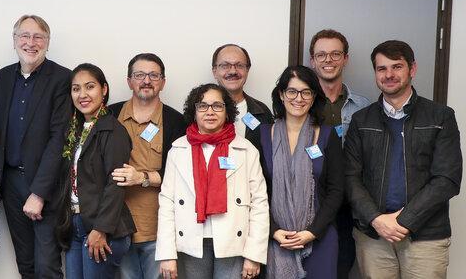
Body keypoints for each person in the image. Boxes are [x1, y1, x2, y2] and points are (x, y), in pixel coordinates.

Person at [345, 40, 462, 278]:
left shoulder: (441, 116)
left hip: (425, 238)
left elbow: (447, 179)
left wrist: (404, 221)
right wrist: (377, 220)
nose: (389, 75)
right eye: (381, 68)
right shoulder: (361, 120)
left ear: (413, 68)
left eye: (397, 66)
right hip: (373, 236)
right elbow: (350, 177)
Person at [156, 83, 268, 279]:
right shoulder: (178, 149)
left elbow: (259, 203)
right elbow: (167, 204)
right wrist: (167, 254)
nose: (210, 112)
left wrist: (254, 254)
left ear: (227, 112)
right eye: (202, 106)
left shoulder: (245, 149)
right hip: (190, 243)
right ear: (194, 111)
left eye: (217, 106)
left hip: (233, 243)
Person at [0, 14, 71, 278]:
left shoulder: (63, 78)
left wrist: (39, 193)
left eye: (38, 37)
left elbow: (59, 138)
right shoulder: (2, 78)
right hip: (11, 181)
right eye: (24, 36)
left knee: (47, 265)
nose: (31, 42)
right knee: (25, 264)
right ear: (14, 41)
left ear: (47, 43)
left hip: (45, 183)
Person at [250, 65, 344, 279]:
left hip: (320, 237)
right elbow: (253, 191)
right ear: (281, 95)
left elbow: (337, 190)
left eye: (306, 92)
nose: (298, 98)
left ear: (314, 97)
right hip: (274, 238)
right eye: (292, 91)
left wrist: (311, 232)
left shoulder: (328, 136)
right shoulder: (261, 136)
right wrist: (274, 230)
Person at [107, 53, 186, 279]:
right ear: (129, 80)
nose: (146, 80)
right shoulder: (110, 115)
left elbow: (181, 175)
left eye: (154, 75)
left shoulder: (176, 121)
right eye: (139, 74)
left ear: (162, 82)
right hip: (115, 226)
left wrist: (140, 177)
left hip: (157, 229)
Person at [56, 63, 136, 279]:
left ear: (104, 89)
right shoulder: (74, 129)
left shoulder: (113, 130)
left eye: (90, 87)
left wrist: (101, 230)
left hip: (102, 228)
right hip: (74, 225)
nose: (82, 94)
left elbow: (116, 183)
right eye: (76, 88)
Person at [308, 29, 371, 279]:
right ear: (312, 61)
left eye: (335, 54)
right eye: (321, 54)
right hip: (311, 200)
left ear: (345, 59)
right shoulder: (302, 104)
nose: (328, 60)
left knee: (340, 269)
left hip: (349, 205)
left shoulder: (364, 107)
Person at [212, 44, 274, 142]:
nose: (233, 71)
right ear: (214, 71)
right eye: (225, 66)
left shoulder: (262, 112)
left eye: (239, 65)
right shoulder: (200, 111)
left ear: (247, 70)